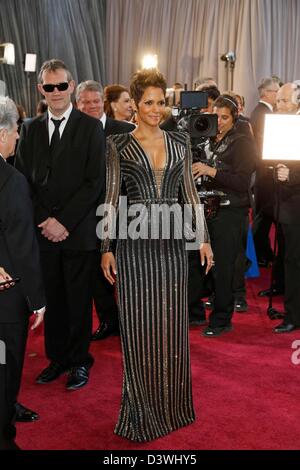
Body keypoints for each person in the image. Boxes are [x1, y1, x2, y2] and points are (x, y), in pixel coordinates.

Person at [100, 68, 213, 441]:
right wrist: (106, 247)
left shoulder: (180, 140)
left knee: (170, 328)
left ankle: (173, 407)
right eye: (147, 102)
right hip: (135, 246)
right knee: (138, 329)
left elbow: (190, 195)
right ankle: (142, 410)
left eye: (160, 102)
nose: (154, 108)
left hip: (170, 246)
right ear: (133, 104)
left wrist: (204, 239)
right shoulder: (118, 145)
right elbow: (112, 198)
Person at [15, 59, 106, 391]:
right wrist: (45, 220)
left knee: (79, 299)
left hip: (77, 230)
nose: (55, 92)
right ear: (41, 89)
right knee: (51, 297)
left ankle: (80, 360)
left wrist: (64, 221)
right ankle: (57, 357)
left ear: (72, 86)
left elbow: (94, 181)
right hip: (43, 233)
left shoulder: (91, 127)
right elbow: (24, 181)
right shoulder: (30, 128)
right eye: (48, 87)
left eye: (61, 86)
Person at [0, 96, 45, 450]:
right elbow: (22, 246)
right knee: (5, 369)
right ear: (3, 133)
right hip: (7, 298)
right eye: (16, 130)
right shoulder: (12, 181)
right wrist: (37, 299)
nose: (17, 137)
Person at [193, 95, 257, 336]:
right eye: (215, 116)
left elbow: (242, 182)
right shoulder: (204, 138)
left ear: (235, 118)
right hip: (205, 210)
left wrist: (211, 171)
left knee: (224, 268)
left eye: (224, 117)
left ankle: (221, 319)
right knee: (202, 266)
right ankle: (198, 313)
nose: (218, 122)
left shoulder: (243, 142)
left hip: (232, 212)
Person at [76, 80, 134, 340]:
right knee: (96, 274)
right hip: (87, 216)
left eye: (95, 101)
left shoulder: (125, 131)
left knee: (129, 271)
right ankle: (109, 320)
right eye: (84, 102)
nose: (90, 106)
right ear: (77, 104)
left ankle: (134, 323)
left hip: (124, 213)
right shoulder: (71, 133)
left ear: (104, 103)